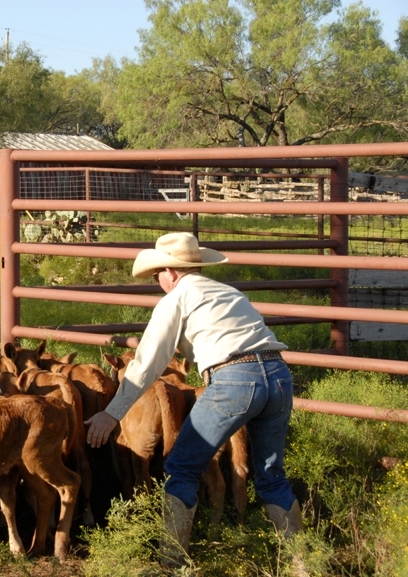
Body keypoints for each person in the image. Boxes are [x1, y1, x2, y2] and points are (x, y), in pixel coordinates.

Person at [85, 232, 302, 568]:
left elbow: (146, 364)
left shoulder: (176, 299)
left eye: (157, 273)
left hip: (233, 378)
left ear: (170, 271)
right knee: (272, 477)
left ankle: (171, 564)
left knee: (181, 468)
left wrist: (111, 414)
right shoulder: (228, 292)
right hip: (277, 375)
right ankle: (302, 564)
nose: (158, 280)